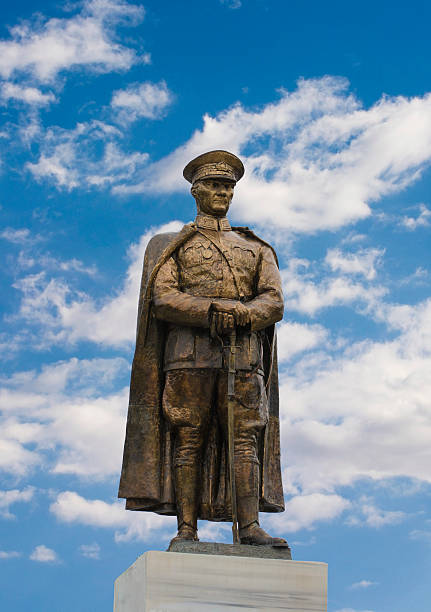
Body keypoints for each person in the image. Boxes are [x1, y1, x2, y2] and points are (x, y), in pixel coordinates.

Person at [119, 150, 287, 547]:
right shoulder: (170, 245)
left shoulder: (256, 247)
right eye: (214, 185)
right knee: (188, 438)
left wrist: (244, 314)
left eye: (227, 186)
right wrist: (212, 309)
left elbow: (273, 301)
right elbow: (162, 299)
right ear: (196, 191)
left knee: (245, 440)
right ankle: (186, 528)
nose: (222, 192)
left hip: (244, 358)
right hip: (187, 356)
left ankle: (248, 527)